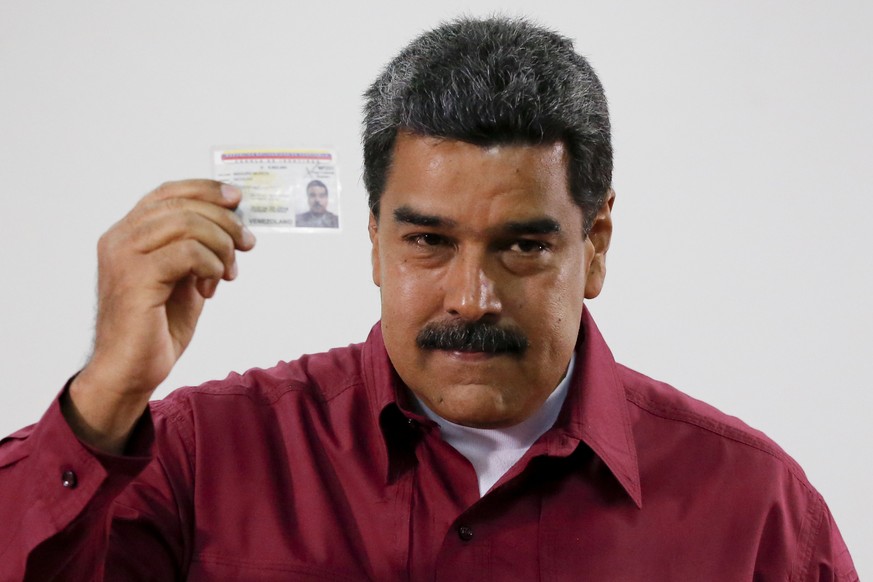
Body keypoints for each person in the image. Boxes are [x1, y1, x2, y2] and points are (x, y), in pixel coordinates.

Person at [0, 16, 857, 581]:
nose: (471, 296)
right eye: (428, 241)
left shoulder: (755, 511)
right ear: (372, 238)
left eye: (523, 245)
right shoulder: (195, 461)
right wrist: (107, 394)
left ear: (593, 245)